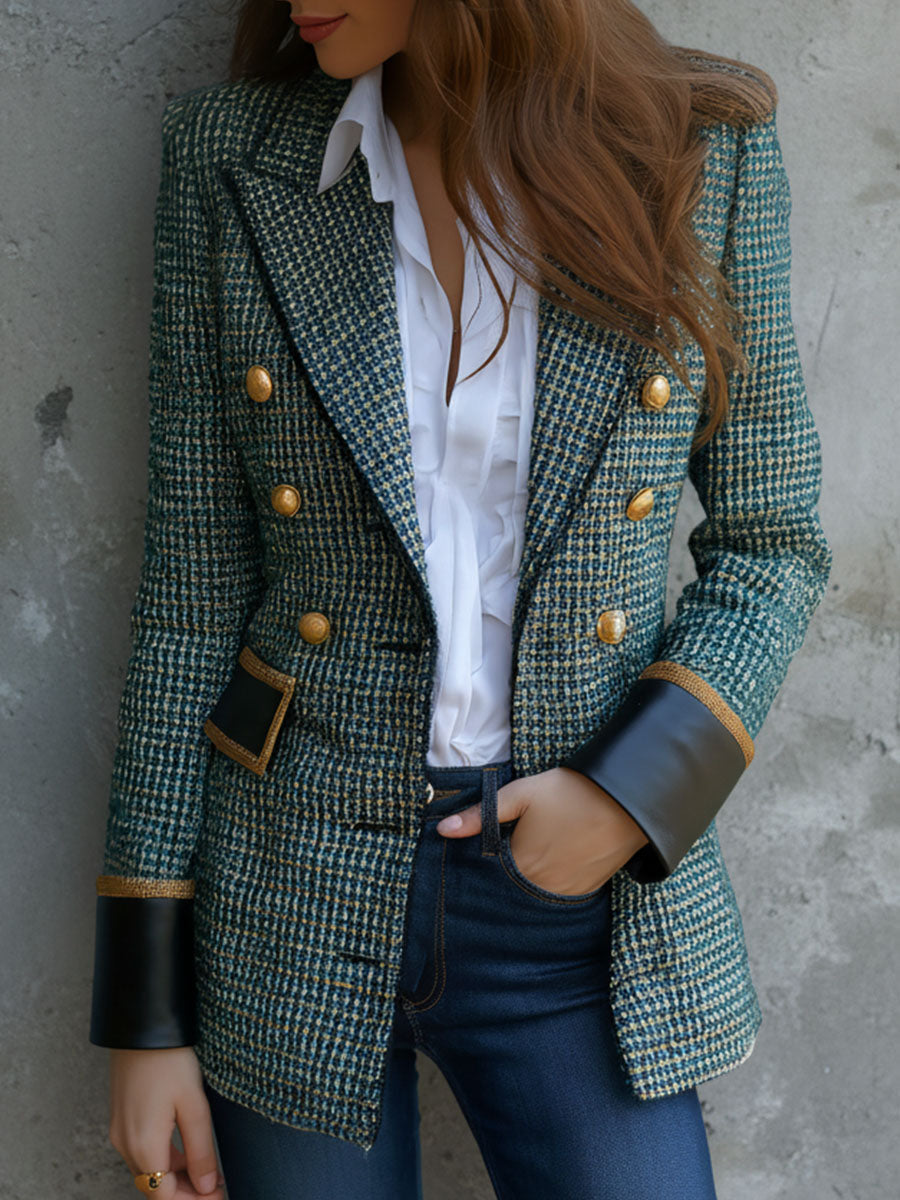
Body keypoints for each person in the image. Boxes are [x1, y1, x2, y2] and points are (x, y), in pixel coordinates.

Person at [88, 0, 832, 1196]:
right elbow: (189, 597)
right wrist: (147, 1014)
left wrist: (630, 795)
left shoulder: (697, 148)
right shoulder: (230, 156)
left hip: (581, 907)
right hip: (292, 891)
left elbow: (771, 543)